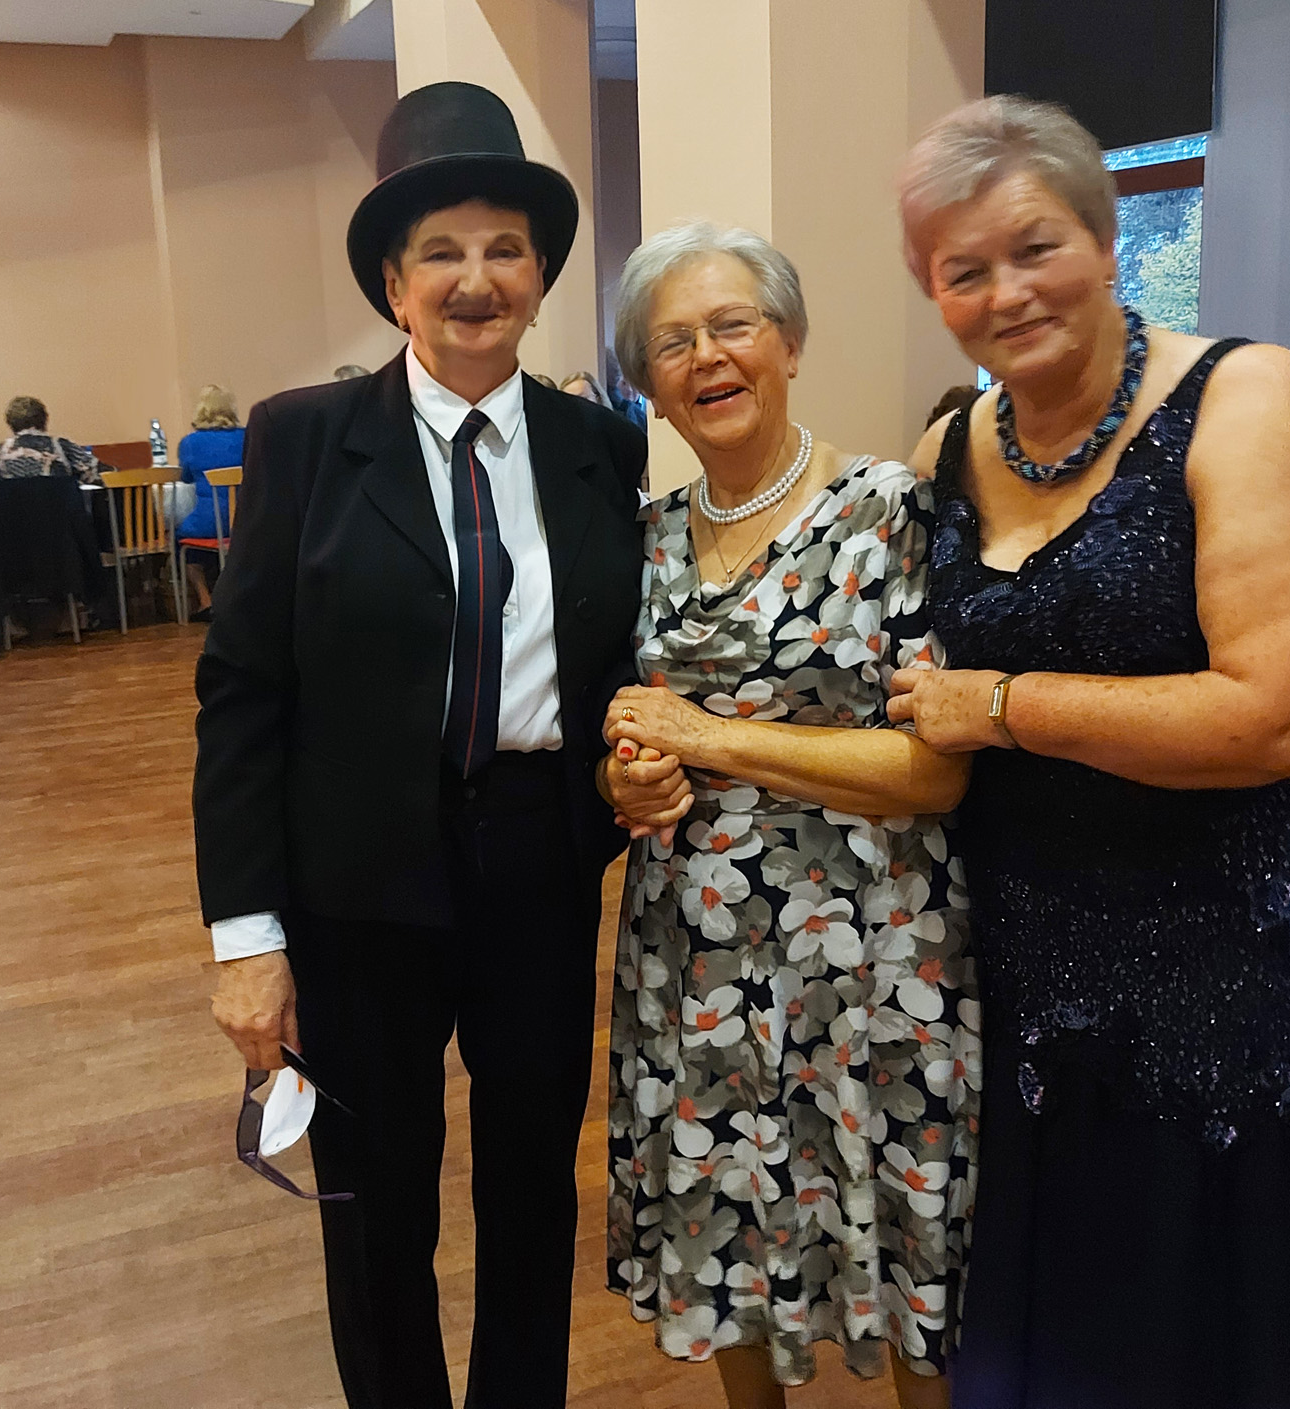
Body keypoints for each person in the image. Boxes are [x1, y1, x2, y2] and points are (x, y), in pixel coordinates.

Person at [889, 96, 1290, 1407]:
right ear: (927, 288)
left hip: (1235, 946)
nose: (1007, 292)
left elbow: (1273, 714)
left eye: (1036, 247)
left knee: (1227, 1313)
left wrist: (1000, 703)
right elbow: (892, 685)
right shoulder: (943, 449)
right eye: (963, 269)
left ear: (1105, 236)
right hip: (1032, 943)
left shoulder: (1244, 391)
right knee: (1071, 1297)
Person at [193, 81, 646, 1409]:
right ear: (394, 285)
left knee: (532, 1188)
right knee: (375, 1201)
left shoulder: (598, 448)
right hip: (356, 885)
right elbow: (242, 696)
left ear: (541, 278)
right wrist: (246, 939)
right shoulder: (302, 439)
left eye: (505, 249)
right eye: (440, 252)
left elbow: (614, 655)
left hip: (537, 873)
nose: (474, 278)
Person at [598, 221, 975, 1409]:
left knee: (907, 1237)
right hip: (694, 950)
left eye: (733, 325)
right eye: (672, 342)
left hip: (874, 949)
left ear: (791, 344)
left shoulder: (889, 511)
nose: (706, 356)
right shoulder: (645, 536)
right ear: (648, 383)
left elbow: (935, 772)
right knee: (725, 1223)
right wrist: (628, 783)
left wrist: (715, 740)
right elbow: (629, 730)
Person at [174, 384, 245, 619]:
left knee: (181, 538)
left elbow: (186, 477)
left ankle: (205, 600)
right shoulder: (248, 436)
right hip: (247, 519)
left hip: (209, 521)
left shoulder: (190, 443)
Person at [0, 397, 101, 484]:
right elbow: (95, 474)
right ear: (45, 419)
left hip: (16, 508)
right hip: (59, 507)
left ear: (10, 423)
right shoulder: (62, 446)